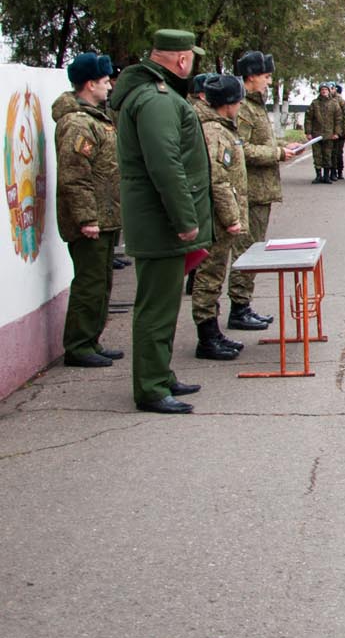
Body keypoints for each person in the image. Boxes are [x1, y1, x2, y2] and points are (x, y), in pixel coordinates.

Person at [111, 29, 213, 414]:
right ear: (182, 60)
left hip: (160, 221)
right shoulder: (156, 99)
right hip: (161, 222)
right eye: (192, 58)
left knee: (165, 303)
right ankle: (151, 388)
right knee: (155, 307)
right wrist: (186, 220)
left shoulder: (157, 95)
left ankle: (160, 374)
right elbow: (165, 164)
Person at [53, 52, 124, 368]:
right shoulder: (78, 123)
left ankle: (91, 339)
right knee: (89, 284)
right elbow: (74, 175)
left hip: (105, 216)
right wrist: (86, 218)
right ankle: (79, 346)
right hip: (92, 219)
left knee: (102, 282)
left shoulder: (96, 118)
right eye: (105, 81)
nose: (109, 87)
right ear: (89, 84)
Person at [190, 74, 249, 361]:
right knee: (209, 275)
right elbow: (219, 180)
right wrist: (231, 217)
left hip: (220, 217)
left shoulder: (223, 128)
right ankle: (206, 337)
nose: (240, 105)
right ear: (228, 103)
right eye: (238, 101)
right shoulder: (214, 132)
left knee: (215, 273)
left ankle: (213, 332)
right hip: (216, 218)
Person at [226, 50, 286, 330]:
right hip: (249, 191)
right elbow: (242, 149)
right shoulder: (245, 108)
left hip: (260, 191)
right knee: (246, 251)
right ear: (250, 77)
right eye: (265, 76)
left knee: (253, 249)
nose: (268, 81)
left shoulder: (256, 105)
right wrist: (276, 153)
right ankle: (238, 307)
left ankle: (244, 304)